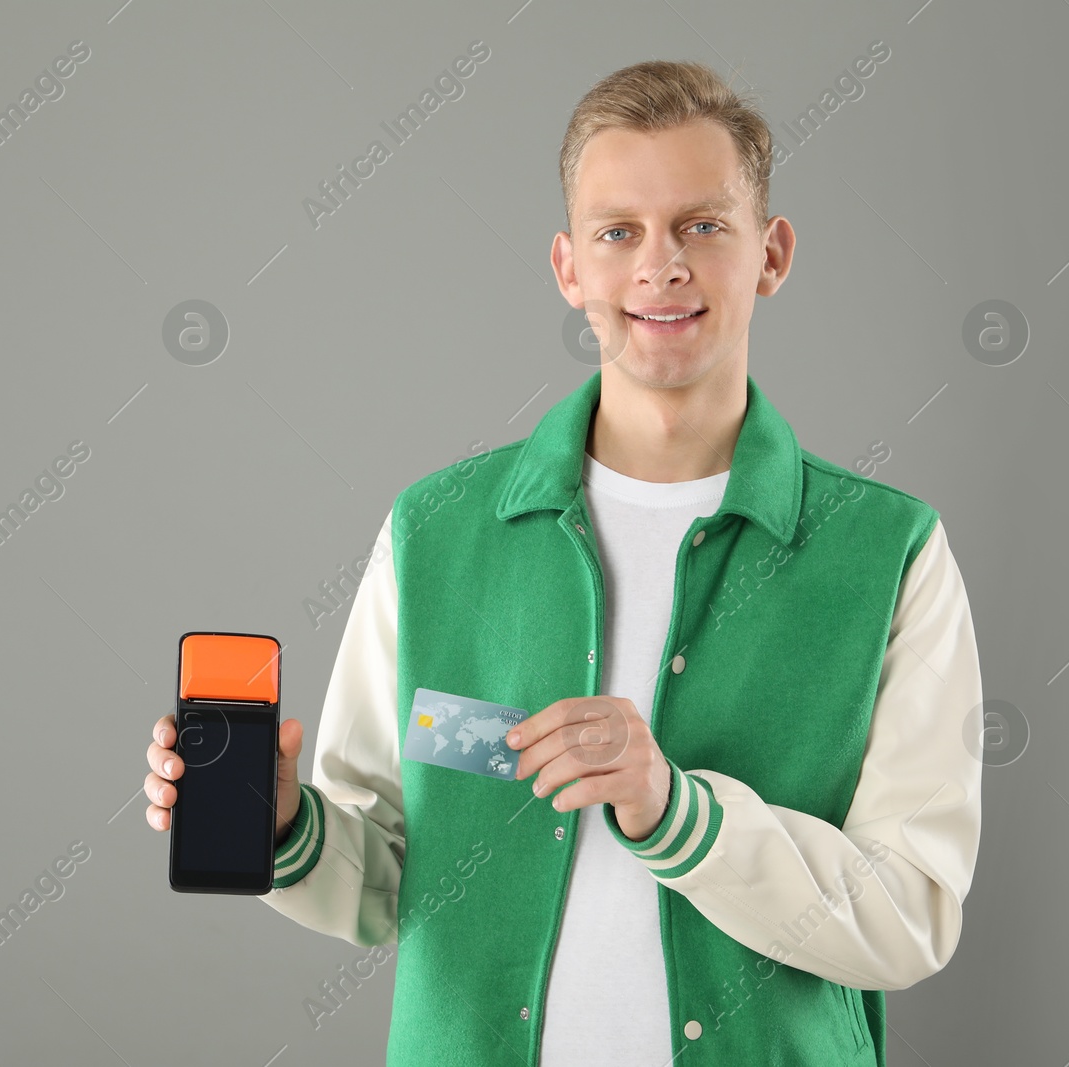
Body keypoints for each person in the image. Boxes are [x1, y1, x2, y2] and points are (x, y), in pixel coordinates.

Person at [146, 59, 982, 1067]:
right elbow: (378, 885)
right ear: (567, 267)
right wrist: (278, 820)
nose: (659, 264)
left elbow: (908, 915)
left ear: (772, 253)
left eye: (703, 225)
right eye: (617, 230)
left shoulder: (888, 550)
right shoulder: (435, 528)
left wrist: (677, 810)